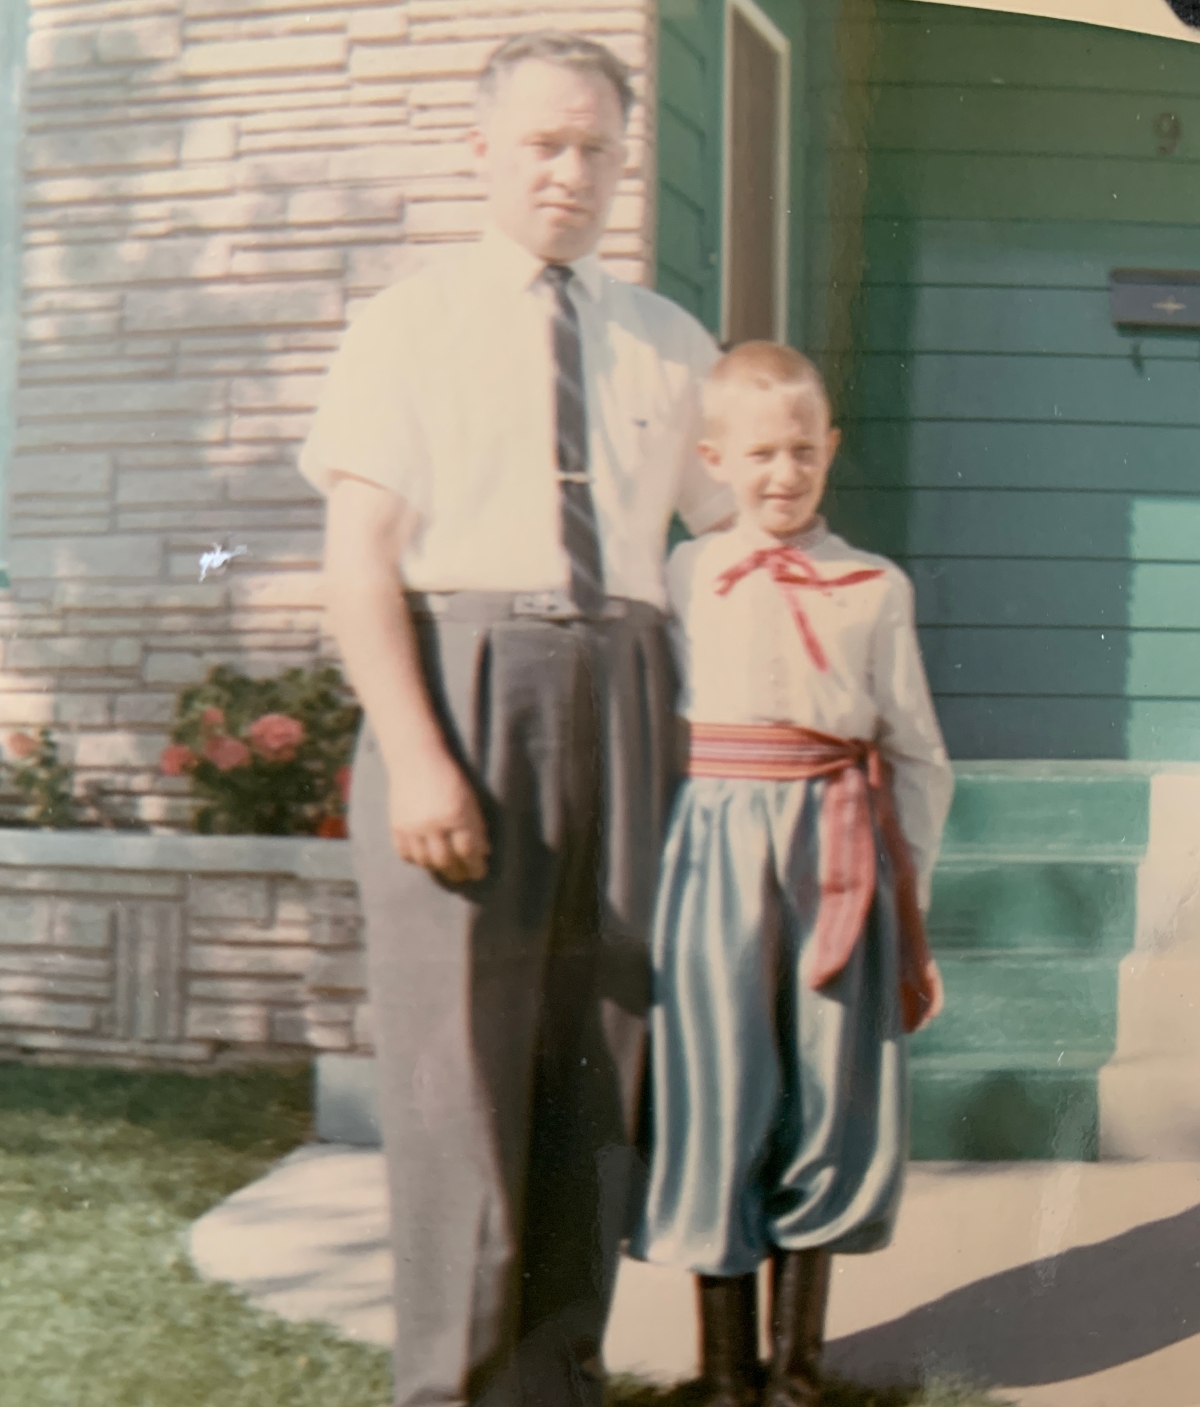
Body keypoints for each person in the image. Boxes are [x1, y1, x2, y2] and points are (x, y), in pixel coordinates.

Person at [299, 29, 733, 1407]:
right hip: (465, 686)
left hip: (629, 688)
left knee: (603, 1052)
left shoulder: (671, 340)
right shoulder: (408, 323)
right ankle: (451, 1383)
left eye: (597, 146)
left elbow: (726, 541)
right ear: (483, 149)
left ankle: (558, 1378)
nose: (571, 170)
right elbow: (359, 559)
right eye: (544, 141)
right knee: (455, 1076)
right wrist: (420, 754)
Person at [628, 342, 955, 1407]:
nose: (783, 474)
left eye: (803, 452)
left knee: (824, 1084)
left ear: (831, 453)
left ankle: (797, 1372)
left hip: (836, 850)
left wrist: (912, 911)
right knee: (720, 1083)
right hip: (714, 855)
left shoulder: (874, 587)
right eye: (760, 453)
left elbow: (916, 754)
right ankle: (725, 1372)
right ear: (713, 457)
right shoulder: (679, 575)